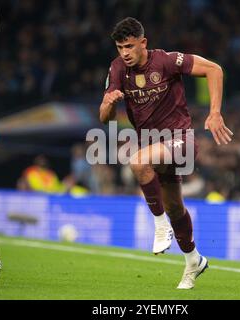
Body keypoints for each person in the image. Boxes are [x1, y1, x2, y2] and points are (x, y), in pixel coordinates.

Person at [99, 18, 233, 289]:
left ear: (143, 43)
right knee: (174, 207)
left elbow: (214, 70)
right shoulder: (116, 70)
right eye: (119, 47)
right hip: (154, 146)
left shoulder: (167, 61)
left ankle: (160, 227)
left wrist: (215, 112)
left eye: (129, 46)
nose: (124, 52)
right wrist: (109, 104)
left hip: (181, 140)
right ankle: (194, 260)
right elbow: (105, 118)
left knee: (137, 161)